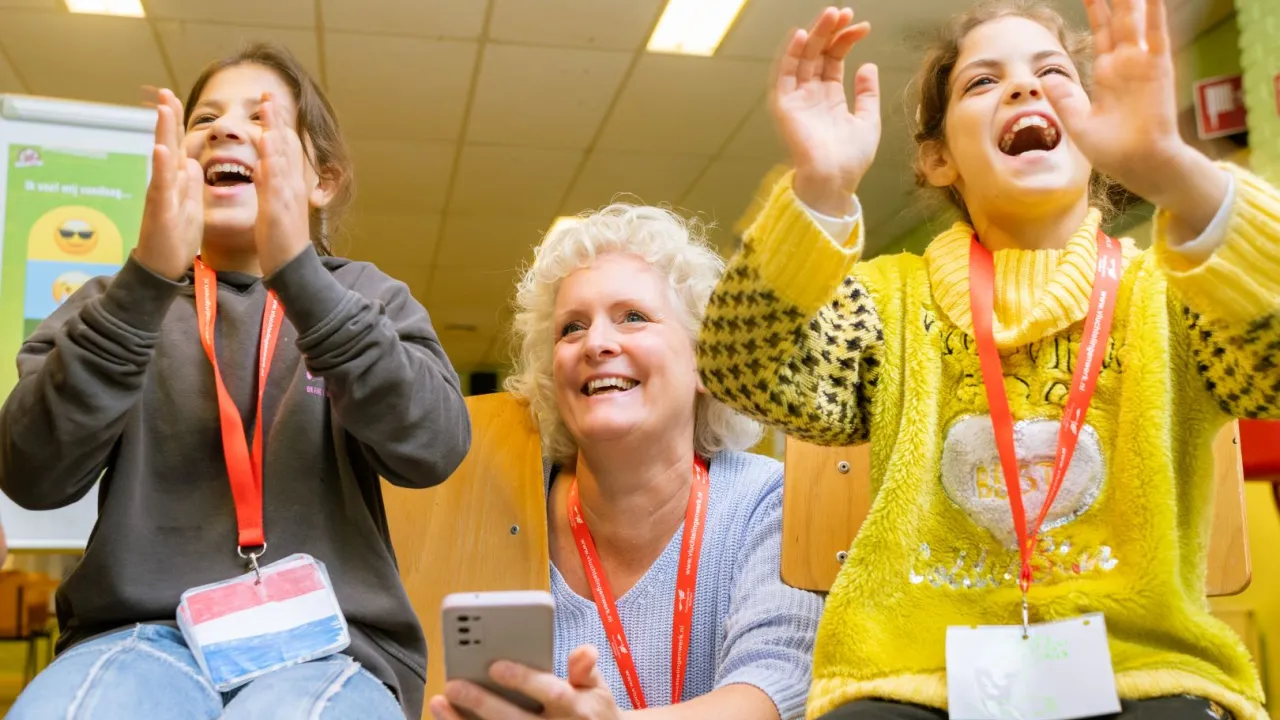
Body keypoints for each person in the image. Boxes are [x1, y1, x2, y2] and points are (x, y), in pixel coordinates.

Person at [697, 1, 1277, 719]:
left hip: (1141, 674)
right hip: (913, 678)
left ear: (1092, 133)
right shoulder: (886, 301)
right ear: (937, 157)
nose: (1024, 89)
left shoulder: (1174, 291)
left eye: (1053, 74)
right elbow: (739, 369)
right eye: (981, 82)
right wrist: (818, 191)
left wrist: (1176, 172)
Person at [0, 43, 470, 720]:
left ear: (323, 180)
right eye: (205, 118)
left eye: (262, 118)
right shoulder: (111, 303)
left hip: (330, 648)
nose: (225, 128)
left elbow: (435, 448)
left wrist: (300, 276)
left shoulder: (368, 297)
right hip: (135, 639)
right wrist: (145, 282)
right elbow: (33, 474)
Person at [428, 205, 825, 720]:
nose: (596, 343)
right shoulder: (501, 507)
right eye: (571, 328)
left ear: (707, 361)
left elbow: (773, 689)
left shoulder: (768, 501)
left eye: (632, 317)